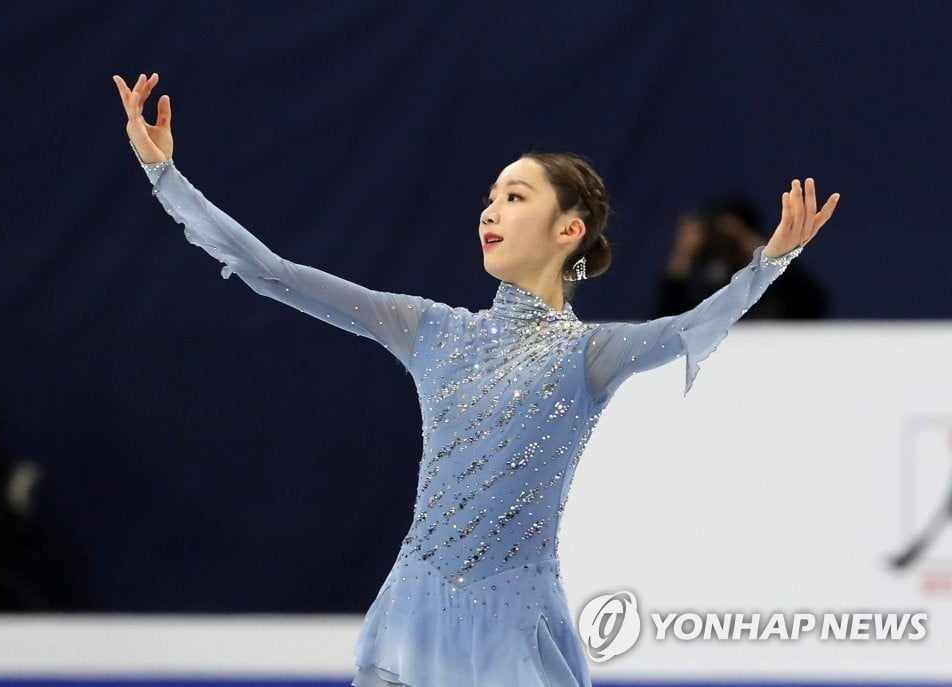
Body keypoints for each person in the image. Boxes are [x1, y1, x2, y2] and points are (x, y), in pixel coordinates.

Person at [112, 72, 840, 687]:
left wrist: (766, 264)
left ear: (570, 230)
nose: (492, 208)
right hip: (412, 619)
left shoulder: (587, 355)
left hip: (511, 635)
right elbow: (273, 273)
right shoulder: (431, 329)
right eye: (491, 196)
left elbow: (684, 329)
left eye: (517, 196)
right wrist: (165, 177)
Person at [659, 196, 831, 319]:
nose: (727, 244)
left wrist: (766, 254)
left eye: (735, 237)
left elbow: (813, 307)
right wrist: (683, 255)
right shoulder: (699, 275)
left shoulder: (777, 276)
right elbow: (665, 320)